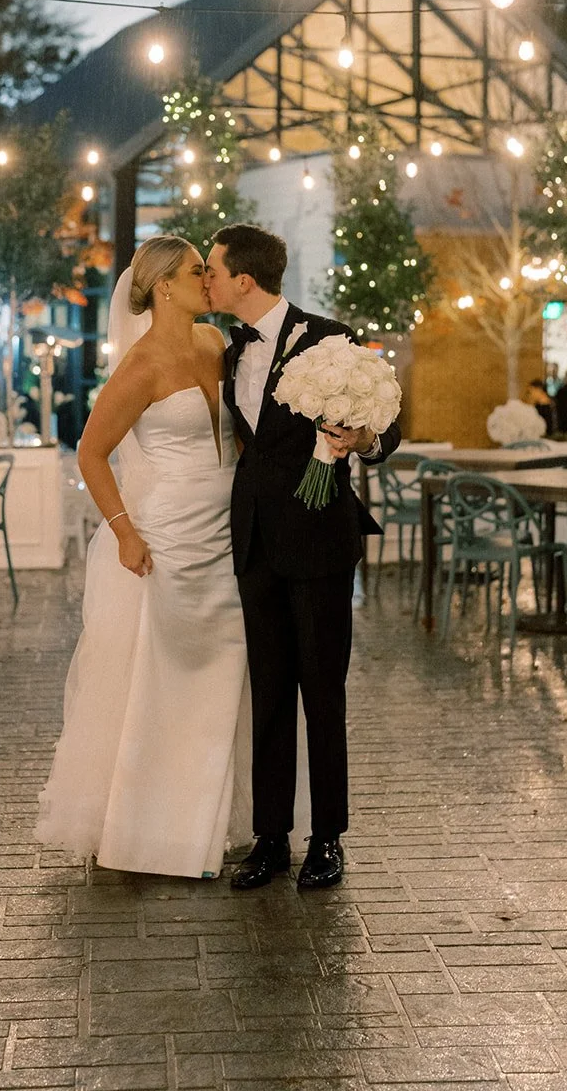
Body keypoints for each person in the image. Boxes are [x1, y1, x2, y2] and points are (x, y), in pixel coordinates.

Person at [35, 236, 251, 879]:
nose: (207, 282)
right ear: (163, 287)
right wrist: (126, 531)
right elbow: (90, 452)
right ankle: (147, 826)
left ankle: (210, 821)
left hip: (225, 536)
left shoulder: (215, 345)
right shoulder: (141, 365)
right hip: (166, 538)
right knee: (157, 677)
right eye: (196, 273)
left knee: (224, 675)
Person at [205, 223, 402, 892]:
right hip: (256, 539)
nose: (206, 279)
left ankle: (327, 838)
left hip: (319, 537)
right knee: (267, 694)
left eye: (211, 269)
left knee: (322, 692)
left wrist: (361, 436)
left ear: (243, 278)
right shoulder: (231, 353)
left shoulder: (328, 337)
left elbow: (386, 424)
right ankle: (268, 838)